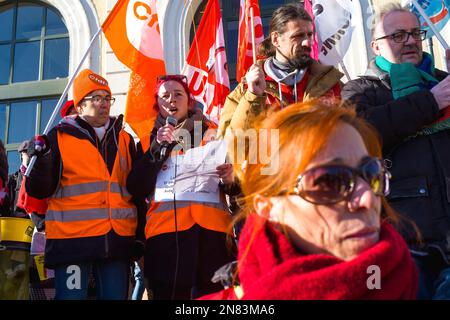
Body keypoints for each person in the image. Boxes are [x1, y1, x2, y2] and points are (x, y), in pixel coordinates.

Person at [202, 101, 418, 300]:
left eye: (371, 175)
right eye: (329, 181)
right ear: (268, 207)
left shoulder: (430, 282)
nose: (368, 199)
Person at [341, 4, 450, 299]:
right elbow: (361, 134)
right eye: (399, 35)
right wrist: (430, 102)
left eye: (415, 33)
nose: (412, 41)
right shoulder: (360, 89)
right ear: (376, 46)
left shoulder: (442, 80)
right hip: (407, 239)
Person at [25, 69, 140, 300]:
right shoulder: (57, 138)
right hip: (72, 245)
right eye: (96, 98)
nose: (104, 103)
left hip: (115, 242)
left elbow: (135, 191)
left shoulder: (125, 139)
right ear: (79, 106)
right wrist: (42, 158)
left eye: (107, 98)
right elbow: (38, 190)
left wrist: (139, 238)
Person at [126, 75, 236, 300]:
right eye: (165, 96)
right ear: (158, 104)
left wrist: (231, 179)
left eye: (178, 94)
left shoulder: (216, 133)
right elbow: (136, 188)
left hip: (212, 237)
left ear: (190, 101)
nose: (171, 100)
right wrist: (158, 148)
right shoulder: (146, 139)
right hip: (165, 240)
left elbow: (239, 189)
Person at [217, 3, 343, 140]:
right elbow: (232, 148)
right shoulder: (245, 89)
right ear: (276, 39)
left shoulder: (330, 82)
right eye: (298, 36)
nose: (307, 42)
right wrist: (253, 96)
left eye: (309, 35)